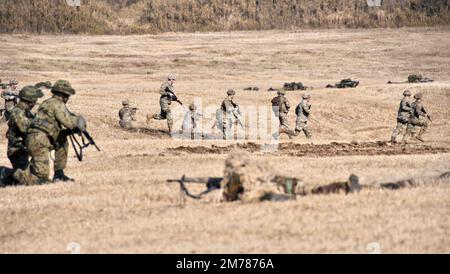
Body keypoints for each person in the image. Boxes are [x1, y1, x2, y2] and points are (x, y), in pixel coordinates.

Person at [13, 80, 86, 185]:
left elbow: (59, 127)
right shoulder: (57, 104)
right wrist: (80, 121)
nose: (68, 99)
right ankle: (9, 174)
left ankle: (59, 174)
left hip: (38, 139)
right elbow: (69, 122)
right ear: (64, 95)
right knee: (41, 179)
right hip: (39, 141)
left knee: (62, 139)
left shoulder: (47, 102)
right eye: (68, 96)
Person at [7, 86, 44, 170]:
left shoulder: (26, 112)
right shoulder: (18, 112)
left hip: (23, 150)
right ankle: (3, 173)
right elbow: (27, 128)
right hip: (16, 151)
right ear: (30, 101)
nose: (35, 103)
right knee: (23, 177)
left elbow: (37, 121)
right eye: (35, 100)